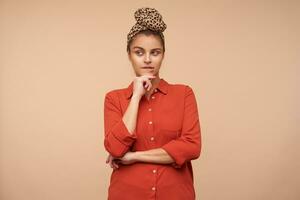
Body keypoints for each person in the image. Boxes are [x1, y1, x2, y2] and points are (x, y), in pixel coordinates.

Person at [103, 7, 202, 200]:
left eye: (155, 52)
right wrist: (136, 96)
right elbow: (115, 149)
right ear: (129, 55)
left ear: (163, 55)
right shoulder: (114, 99)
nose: (147, 59)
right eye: (139, 52)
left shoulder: (184, 94)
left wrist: (134, 156)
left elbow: (192, 147)